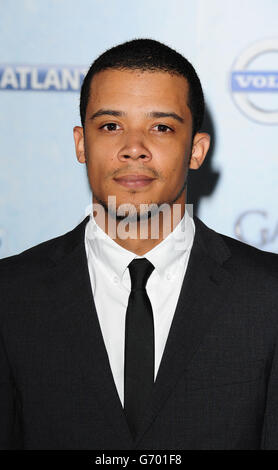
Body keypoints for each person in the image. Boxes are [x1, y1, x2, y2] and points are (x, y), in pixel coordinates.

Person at [0, 38, 278, 451]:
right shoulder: (11, 293)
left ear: (197, 150)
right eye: (111, 126)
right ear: (81, 143)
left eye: (161, 127)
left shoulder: (268, 294)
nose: (134, 149)